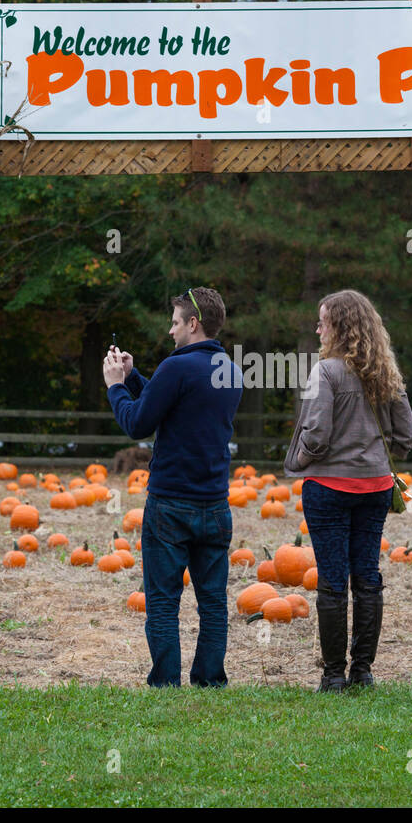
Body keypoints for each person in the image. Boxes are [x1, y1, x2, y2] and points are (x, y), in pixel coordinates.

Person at [104, 287, 242, 687]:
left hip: (170, 506)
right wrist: (136, 377)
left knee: (163, 602)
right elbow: (180, 404)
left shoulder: (176, 367)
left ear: (193, 323)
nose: (170, 330)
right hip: (215, 504)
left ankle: (166, 682)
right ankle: (210, 679)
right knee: (213, 602)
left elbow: (138, 424)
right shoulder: (229, 369)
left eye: (176, 321)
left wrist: (116, 386)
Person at [284, 290, 412, 692]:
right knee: (368, 577)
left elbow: (317, 431)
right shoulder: (385, 371)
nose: (318, 328)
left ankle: (333, 675)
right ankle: (363, 671)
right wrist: (379, 454)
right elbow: (405, 433)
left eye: (323, 321)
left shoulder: (325, 372)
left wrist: (302, 458)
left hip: (329, 486)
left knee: (333, 580)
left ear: (339, 326)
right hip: (374, 486)